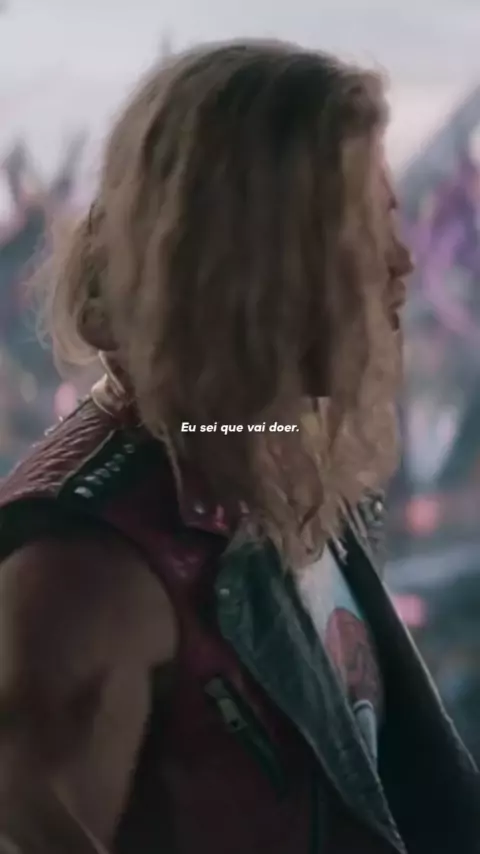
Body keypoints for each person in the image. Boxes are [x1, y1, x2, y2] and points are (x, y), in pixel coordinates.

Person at [0, 40, 477, 854]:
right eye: (363, 232)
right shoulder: (87, 577)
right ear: (247, 258)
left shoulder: (268, 454)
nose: (402, 265)